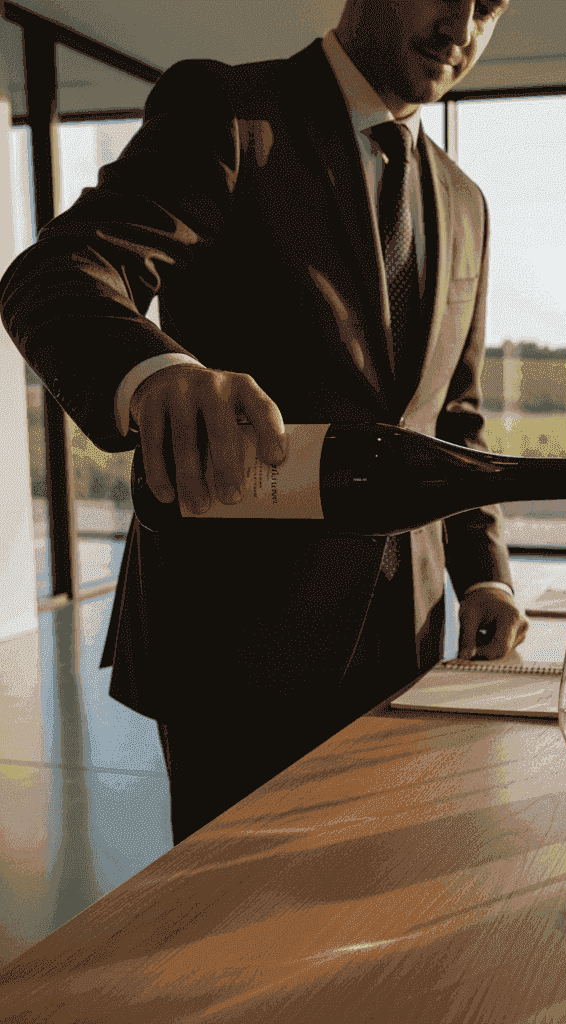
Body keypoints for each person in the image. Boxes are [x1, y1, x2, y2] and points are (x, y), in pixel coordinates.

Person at [0, 0, 528, 843]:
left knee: (381, 895)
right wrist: (158, 372)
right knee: (235, 914)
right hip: (239, 647)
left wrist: (485, 575)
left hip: (412, 638)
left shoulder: (467, 202)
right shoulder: (229, 113)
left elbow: (452, 417)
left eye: (489, 6)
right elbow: (61, 268)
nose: (461, 29)